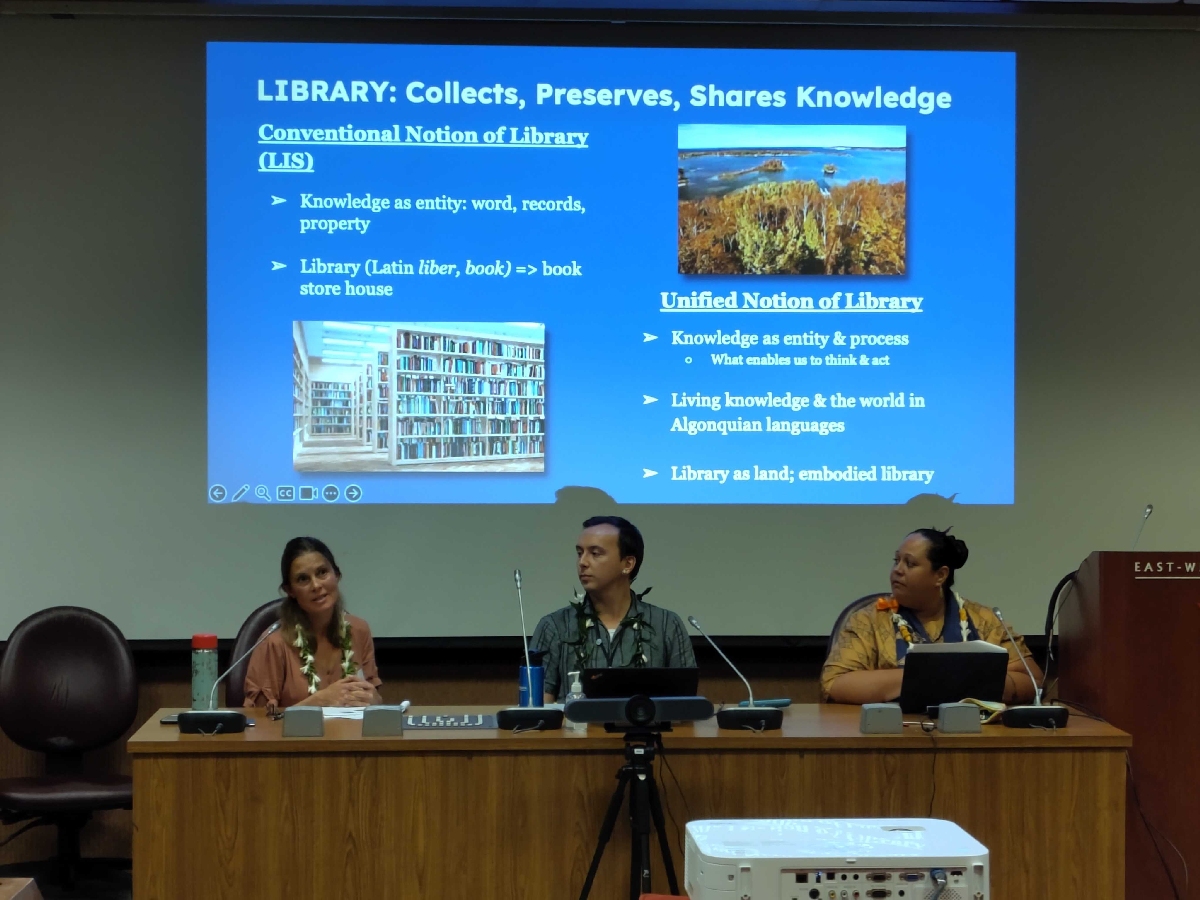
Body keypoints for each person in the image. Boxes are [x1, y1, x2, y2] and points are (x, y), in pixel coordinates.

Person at [822, 528, 1041, 705]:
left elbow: (1033, 681)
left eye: (910, 563)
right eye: (896, 560)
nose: (897, 570)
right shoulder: (868, 620)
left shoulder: (983, 619)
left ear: (940, 575)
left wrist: (958, 681)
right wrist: (933, 677)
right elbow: (834, 683)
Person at [531, 516, 696, 703]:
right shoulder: (555, 626)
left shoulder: (666, 625)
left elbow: (685, 705)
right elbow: (538, 709)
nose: (582, 562)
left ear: (627, 564)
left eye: (595, 553)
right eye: (579, 553)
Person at [244, 536, 383, 709]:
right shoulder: (274, 644)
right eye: (303, 579)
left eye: (322, 572)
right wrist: (317, 702)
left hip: (350, 734)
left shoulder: (359, 631)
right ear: (290, 590)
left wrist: (375, 702)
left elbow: (372, 700)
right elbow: (258, 723)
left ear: (337, 575)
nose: (316, 585)